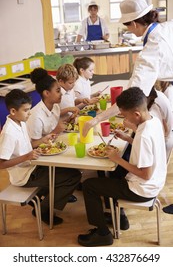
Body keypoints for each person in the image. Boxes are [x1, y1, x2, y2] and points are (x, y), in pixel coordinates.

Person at [78, 87, 167, 247]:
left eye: (125, 115)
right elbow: (149, 150)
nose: (124, 119)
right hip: (155, 181)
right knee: (107, 173)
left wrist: (117, 158)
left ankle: (102, 233)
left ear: (136, 114)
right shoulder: (153, 121)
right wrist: (129, 138)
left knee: (88, 186)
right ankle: (117, 217)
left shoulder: (144, 135)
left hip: (143, 188)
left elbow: (145, 174)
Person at [82, 0, 173, 137]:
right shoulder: (167, 27)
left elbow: (131, 96)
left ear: (135, 24)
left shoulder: (151, 51)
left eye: (127, 26)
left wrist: (96, 120)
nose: (129, 30)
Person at [0, 89, 80, 225]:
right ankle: (43, 210)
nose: (29, 113)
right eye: (26, 110)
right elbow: (1, 164)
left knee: (68, 171)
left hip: (32, 166)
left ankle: (49, 198)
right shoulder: (8, 133)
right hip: (24, 175)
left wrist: (43, 140)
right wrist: (27, 156)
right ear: (13, 111)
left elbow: (28, 144)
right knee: (73, 177)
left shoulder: (20, 122)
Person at [27, 68, 81, 205]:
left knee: (74, 165)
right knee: (73, 176)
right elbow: (33, 146)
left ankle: (61, 192)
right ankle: (45, 209)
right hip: (32, 165)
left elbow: (54, 127)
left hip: (49, 153)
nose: (61, 94)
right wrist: (56, 131)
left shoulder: (55, 107)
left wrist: (70, 118)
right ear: (46, 93)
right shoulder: (36, 116)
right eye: (58, 91)